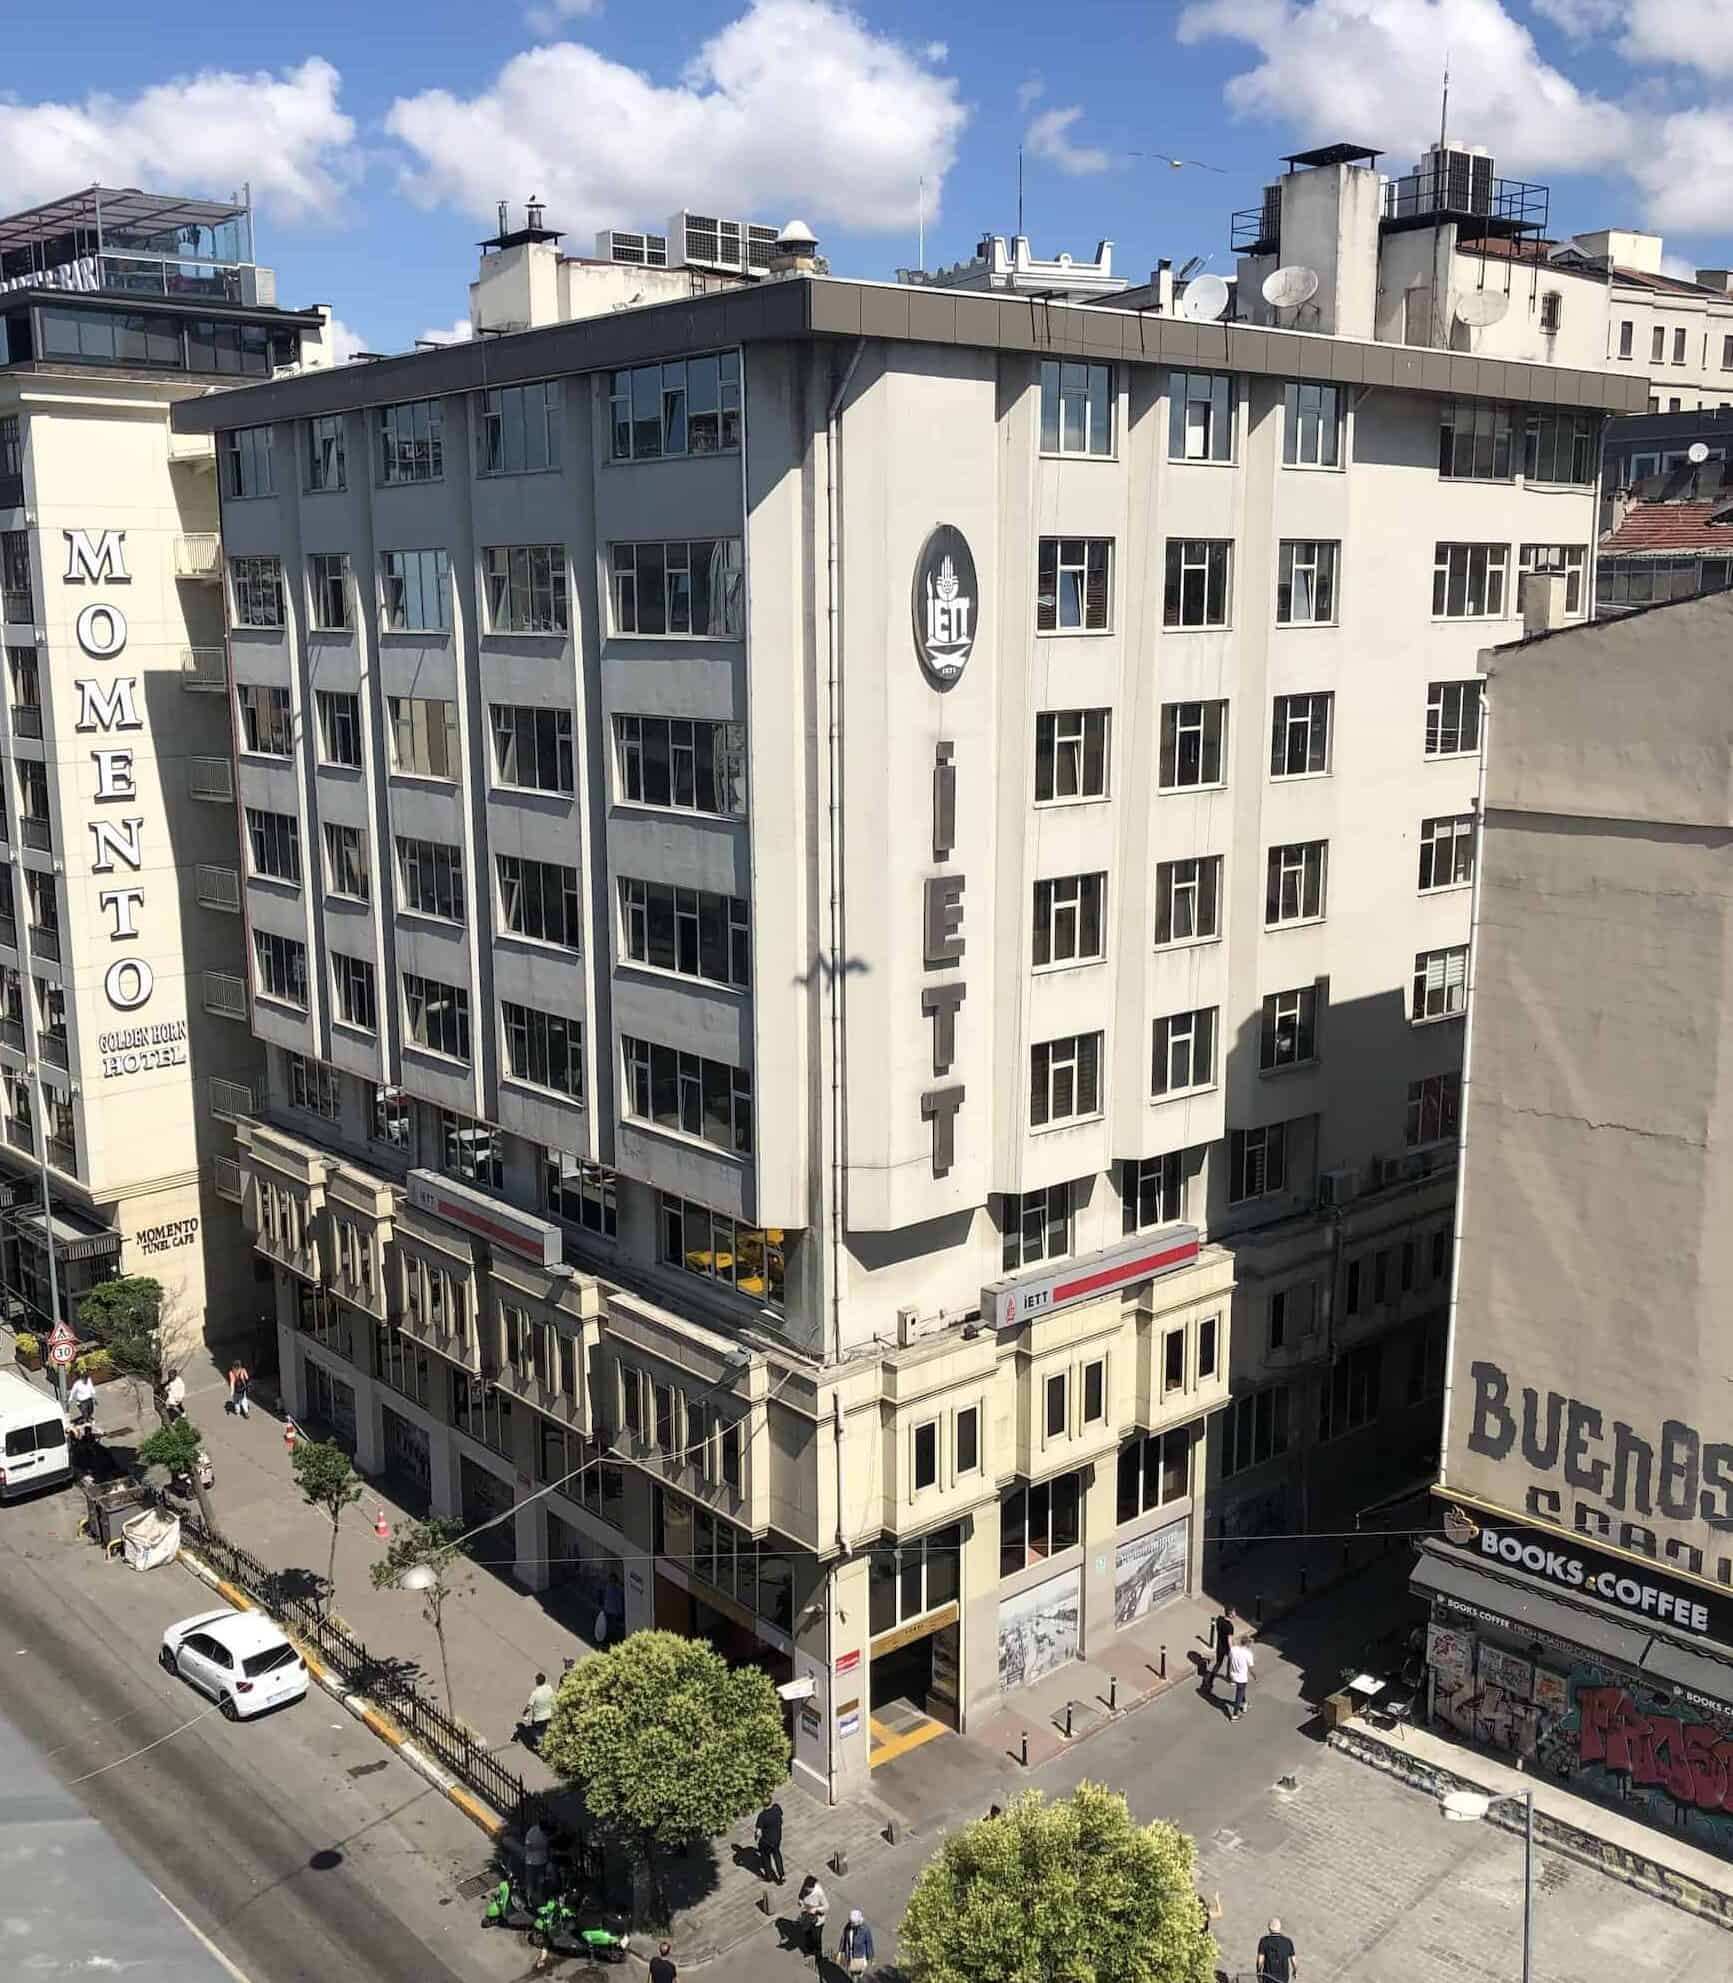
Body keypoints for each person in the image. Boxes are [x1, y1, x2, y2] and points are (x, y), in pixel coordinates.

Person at [521, 1671, 557, 1751]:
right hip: (549, 1715)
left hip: (539, 1718)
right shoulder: (549, 1688)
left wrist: (524, 1712)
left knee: (537, 1733)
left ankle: (540, 1745)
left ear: (537, 1681)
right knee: (546, 1730)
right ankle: (549, 1744)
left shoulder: (535, 1693)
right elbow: (553, 1698)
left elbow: (529, 1706)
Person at [796, 1874, 828, 1962]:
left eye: (808, 1890)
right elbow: (800, 1897)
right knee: (807, 1934)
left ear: (812, 1887)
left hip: (817, 1919)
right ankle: (809, 1950)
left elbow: (826, 1906)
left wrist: (815, 1909)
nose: (806, 1891)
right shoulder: (805, 1888)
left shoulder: (819, 1893)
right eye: (805, 1889)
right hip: (806, 1916)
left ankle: (818, 1955)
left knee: (816, 1938)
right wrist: (800, 1902)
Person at [1257, 1916, 1298, 1981]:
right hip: (1283, 1979)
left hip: (1268, 1978)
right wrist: (1295, 1971)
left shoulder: (1264, 1941)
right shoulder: (1288, 1941)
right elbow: (1293, 1961)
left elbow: (1260, 1961)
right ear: (1280, 1928)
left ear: (1269, 1928)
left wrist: (1258, 1973)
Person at [754, 1798, 785, 1884]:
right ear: (771, 1801)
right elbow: (781, 1816)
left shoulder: (762, 1816)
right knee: (777, 1855)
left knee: (766, 1858)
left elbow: (759, 1832)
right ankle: (781, 1875)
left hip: (766, 1841)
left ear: (762, 1804)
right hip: (777, 1838)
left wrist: (756, 1837)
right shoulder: (777, 1808)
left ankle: (769, 1876)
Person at [838, 1908, 874, 1976]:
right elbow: (843, 1938)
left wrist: (871, 1958)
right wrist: (840, 1952)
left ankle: (859, 1974)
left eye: (853, 1923)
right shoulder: (848, 1926)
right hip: (850, 1953)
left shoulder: (865, 1930)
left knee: (858, 1970)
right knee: (851, 1969)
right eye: (850, 1922)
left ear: (858, 1922)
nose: (851, 1924)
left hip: (859, 1955)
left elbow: (869, 1944)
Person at [1226, 1636, 1255, 1720]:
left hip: (1233, 1675)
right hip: (1241, 1678)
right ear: (1247, 1643)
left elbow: (1229, 1658)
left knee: (1241, 1690)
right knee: (1238, 1695)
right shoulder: (1248, 1654)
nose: (1250, 1645)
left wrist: (1228, 1673)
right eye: (1249, 1643)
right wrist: (1255, 1676)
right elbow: (1251, 1668)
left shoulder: (1233, 1649)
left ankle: (1245, 1703)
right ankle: (1235, 1715)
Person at [523, 1818, 550, 1904]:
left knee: (538, 1883)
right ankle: (530, 1901)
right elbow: (528, 1846)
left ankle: (537, 1901)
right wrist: (538, 1848)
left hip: (539, 1862)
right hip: (534, 1862)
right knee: (532, 1883)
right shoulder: (533, 1831)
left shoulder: (542, 1833)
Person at [1209, 1609, 1234, 1683]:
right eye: (1234, 1612)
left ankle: (1211, 1678)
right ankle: (1228, 1675)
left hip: (1220, 1646)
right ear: (1230, 1614)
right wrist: (1232, 1649)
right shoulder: (1230, 1626)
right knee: (1230, 1659)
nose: (1235, 1614)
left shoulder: (1219, 1619)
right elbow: (1229, 1640)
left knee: (1218, 1663)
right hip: (1226, 1647)